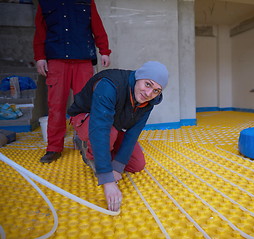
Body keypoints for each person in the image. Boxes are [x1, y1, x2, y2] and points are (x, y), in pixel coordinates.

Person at [67, 61, 169, 212]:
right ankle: (88, 150)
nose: (149, 94)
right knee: (108, 134)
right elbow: (100, 128)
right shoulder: (110, 85)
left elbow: (133, 132)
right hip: (88, 119)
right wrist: (107, 178)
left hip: (113, 123)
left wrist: (117, 167)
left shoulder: (149, 101)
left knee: (137, 164)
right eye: (148, 84)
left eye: (156, 90)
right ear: (138, 77)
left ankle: (103, 152)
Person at [33, 0, 111, 163]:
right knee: (56, 106)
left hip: (83, 60)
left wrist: (104, 50)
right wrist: (40, 57)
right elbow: (40, 32)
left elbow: (97, 26)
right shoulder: (44, 3)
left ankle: (88, 144)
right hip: (56, 61)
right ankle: (54, 148)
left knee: (86, 105)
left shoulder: (87, 2)